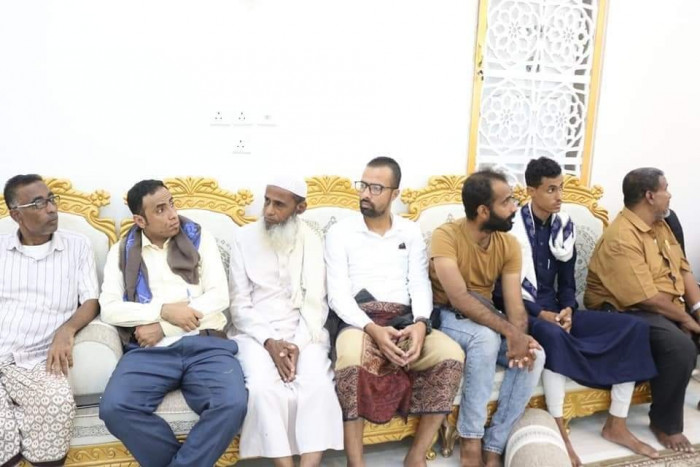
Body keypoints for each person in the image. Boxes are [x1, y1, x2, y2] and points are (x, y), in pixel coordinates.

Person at [506, 157, 657, 466]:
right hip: (525, 313)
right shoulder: (510, 230)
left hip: (558, 311)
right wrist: (542, 314)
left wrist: (568, 308)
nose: (559, 196)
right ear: (531, 191)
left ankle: (617, 423)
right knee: (552, 335)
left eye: (560, 188)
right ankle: (559, 427)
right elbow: (501, 292)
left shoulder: (564, 226)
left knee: (634, 327)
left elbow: (567, 282)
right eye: (551, 189)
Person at [325, 157, 465, 467]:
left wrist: (421, 323)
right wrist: (372, 329)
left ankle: (415, 455)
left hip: (405, 320)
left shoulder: (409, 231)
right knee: (351, 359)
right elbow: (337, 295)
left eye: (376, 188)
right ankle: (356, 463)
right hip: (359, 321)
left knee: (451, 355)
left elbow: (419, 283)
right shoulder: (340, 232)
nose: (366, 193)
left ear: (395, 194)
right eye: (363, 185)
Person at [98, 179, 247, 467]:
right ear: (140, 220)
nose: (172, 214)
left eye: (172, 204)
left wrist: (165, 326)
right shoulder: (122, 250)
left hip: (205, 343)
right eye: (160, 210)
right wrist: (164, 310)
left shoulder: (200, 238)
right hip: (149, 351)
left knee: (231, 404)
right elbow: (110, 310)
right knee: (115, 407)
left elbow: (219, 296)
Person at [430, 169, 545, 467]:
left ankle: (495, 444)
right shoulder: (445, 236)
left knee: (535, 354)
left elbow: (515, 305)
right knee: (486, 340)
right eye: (506, 202)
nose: (514, 207)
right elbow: (459, 298)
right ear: (483, 211)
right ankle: (470, 440)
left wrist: (519, 337)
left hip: (486, 316)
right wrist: (509, 332)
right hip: (447, 315)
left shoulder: (509, 244)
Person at [228, 176, 343, 466]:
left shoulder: (313, 240)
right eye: (267, 201)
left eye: (279, 205)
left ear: (299, 208)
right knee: (262, 389)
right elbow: (239, 305)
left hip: (304, 331)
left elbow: (317, 303)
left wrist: (296, 345)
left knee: (318, 385)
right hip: (255, 333)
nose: (268, 210)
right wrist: (270, 342)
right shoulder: (243, 238)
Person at [585, 168, 700, 453]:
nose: (670, 194)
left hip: (662, 306)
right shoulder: (621, 237)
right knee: (680, 345)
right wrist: (685, 320)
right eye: (665, 188)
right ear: (650, 196)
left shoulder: (662, 224)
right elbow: (646, 298)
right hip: (624, 311)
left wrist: (697, 310)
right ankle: (665, 424)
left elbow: (684, 270)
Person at [0, 174, 99, 467]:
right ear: (16, 215)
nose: (52, 209)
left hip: (37, 357)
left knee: (57, 405)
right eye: (38, 203)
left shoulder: (77, 246)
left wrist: (67, 330)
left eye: (51, 199)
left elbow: (91, 300)